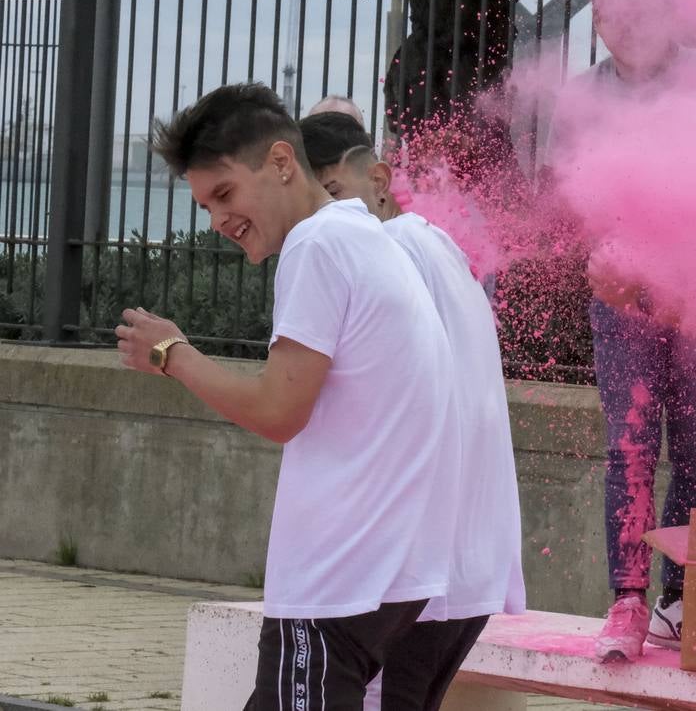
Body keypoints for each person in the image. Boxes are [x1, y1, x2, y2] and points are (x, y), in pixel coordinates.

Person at [114, 84, 459, 709]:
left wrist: (172, 355)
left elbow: (278, 413)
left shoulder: (317, 245)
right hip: (385, 577)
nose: (219, 221)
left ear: (280, 163)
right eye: (205, 206)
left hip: (337, 581)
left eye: (224, 194)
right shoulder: (365, 235)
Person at [299, 111, 526, 710]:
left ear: (378, 179)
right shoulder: (434, 245)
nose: (324, 215)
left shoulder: (386, 251)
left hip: (415, 570)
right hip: (461, 566)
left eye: (330, 193)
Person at [550, 0, 696, 662]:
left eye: (627, 11)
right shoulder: (580, 96)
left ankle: (681, 594)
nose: (613, 26)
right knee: (629, 443)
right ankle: (627, 596)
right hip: (621, 299)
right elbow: (569, 200)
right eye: (602, 13)